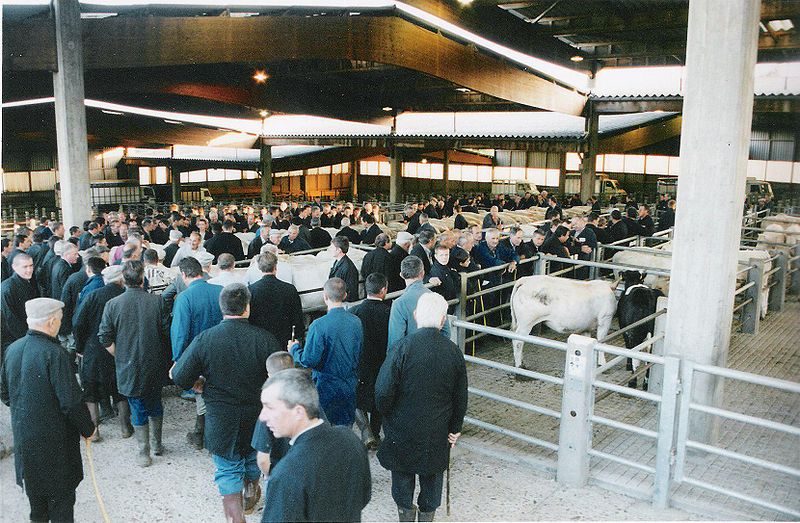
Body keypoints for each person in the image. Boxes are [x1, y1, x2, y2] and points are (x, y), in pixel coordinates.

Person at [172, 284, 279, 522]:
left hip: (222, 419)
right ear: (247, 308)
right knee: (253, 457)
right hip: (257, 416)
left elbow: (179, 376)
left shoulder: (205, 339)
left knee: (228, 469)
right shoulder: (265, 339)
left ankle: (236, 517)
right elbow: (282, 378)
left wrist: (197, 383)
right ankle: (251, 492)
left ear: (221, 308)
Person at [1, 298, 96, 523]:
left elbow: (4, 393)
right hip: (56, 448)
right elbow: (71, 402)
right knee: (61, 509)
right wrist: (88, 429)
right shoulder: (56, 354)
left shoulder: (12, 350)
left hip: (26, 445)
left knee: (37, 509)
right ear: (52, 321)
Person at [376, 292, 468, 522]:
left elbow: (382, 392)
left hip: (402, 430)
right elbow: (460, 397)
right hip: (437, 433)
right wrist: (454, 429)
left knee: (403, 481)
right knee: (432, 482)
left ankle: (405, 515)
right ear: (443, 319)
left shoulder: (401, 349)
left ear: (416, 316)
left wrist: (388, 416)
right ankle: (427, 516)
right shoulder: (454, 352)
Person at [259, 369, 371, 523]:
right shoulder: (350, 439)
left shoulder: (286, 473)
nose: (262, 416)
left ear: (298, 412)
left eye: (269, 407)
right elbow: (363, 496)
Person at [98, 260, 170, 467]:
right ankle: (157, 445)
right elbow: (166, 333)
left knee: (137, 407)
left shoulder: (112, 305)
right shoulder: (157, 302)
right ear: (142, 279)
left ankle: (143, 452)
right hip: (154, 363)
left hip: (127, 364)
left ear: (123, 280)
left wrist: (119, 355)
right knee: (156, 403)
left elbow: (104, 337)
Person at [289, 278, 363, 426]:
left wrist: (294, 349)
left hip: (326, 387)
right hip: (349, 385)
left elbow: (309, 360)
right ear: (345, 295)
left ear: (325, 296)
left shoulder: (318, 325)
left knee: (326, 429)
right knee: (345, 428)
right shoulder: (356, 322)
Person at [73, 264, 131, 441]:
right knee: (120, 390)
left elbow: (78, 324)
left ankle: (95, 430)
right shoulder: (124, 296)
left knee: (91, 391)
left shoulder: (92, 296)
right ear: (121, 279)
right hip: (119, 349)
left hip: (94, 350)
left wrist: (80, 347)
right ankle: (125, 427)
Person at [171, 256, 224, 448]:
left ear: (184, 274)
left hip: (198, 356)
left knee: (202, 392)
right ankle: (203, 432)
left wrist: (178, 360)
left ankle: (203, 436)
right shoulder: (220, 291)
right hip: (221, 351)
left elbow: (179, 333)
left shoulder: (184, 298)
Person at [349, 273, 390, 449]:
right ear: (383, 290)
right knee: (378, 398)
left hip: (360, 363)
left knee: (358, 398)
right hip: (382, 362)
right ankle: (374, 431)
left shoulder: (354, 312)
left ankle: (366, 433)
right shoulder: (390, 312)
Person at [387, 256, 450, 349]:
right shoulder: (436, 298)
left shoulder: (399, 304)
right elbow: (446, 332)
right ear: (422, 273)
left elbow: (395, 342)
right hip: (435, 353)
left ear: (401, 275)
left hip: (411, 356)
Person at [1, 253, 38, 358]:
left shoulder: (27, 282)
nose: (29, 270)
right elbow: (10, 320)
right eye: (25, 267)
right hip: (15, 340)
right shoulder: (7, 288)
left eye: (31, 266)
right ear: (14, 267)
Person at [328, 236, 360, 302]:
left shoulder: (348, 267)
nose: (329, 249)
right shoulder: (337, 261)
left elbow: (351, 292)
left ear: (339, 250)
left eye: (332, 247)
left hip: (344, 304)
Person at [429, 243, 459, 313]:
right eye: (441, 255)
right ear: (436, 256)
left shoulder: (447, 267)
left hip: (450, 305)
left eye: (446, 255)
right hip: (442, 308)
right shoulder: (435, 272)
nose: (444, 257)